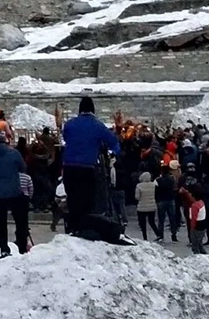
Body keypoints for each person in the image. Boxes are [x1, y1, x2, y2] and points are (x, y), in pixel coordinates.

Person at [60, 96, 120, 236]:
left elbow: (66, 138)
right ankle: (85, 230)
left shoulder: (69, 124)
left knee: (73, 199)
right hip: (87, 169)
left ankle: (73, 229)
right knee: (87, 201)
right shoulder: (98, 125)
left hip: (68, 168)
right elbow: (114, 143)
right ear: (93, 110)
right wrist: (111, 153)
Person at [0, 131, 29, 255]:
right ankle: (22, 247)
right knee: (20, 221)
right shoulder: (14, 154)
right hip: (15, 192)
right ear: (5, 142)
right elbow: (23, 168)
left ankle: (4, 249)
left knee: (1, 222)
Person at [133, 172, 158, 241]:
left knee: (143, 223)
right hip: (152, 206)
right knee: (152, 222)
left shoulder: (139, 186)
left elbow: (137, 197)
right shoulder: (153, 185)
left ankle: (145, 237)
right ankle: (158, 234)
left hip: (142, 207)